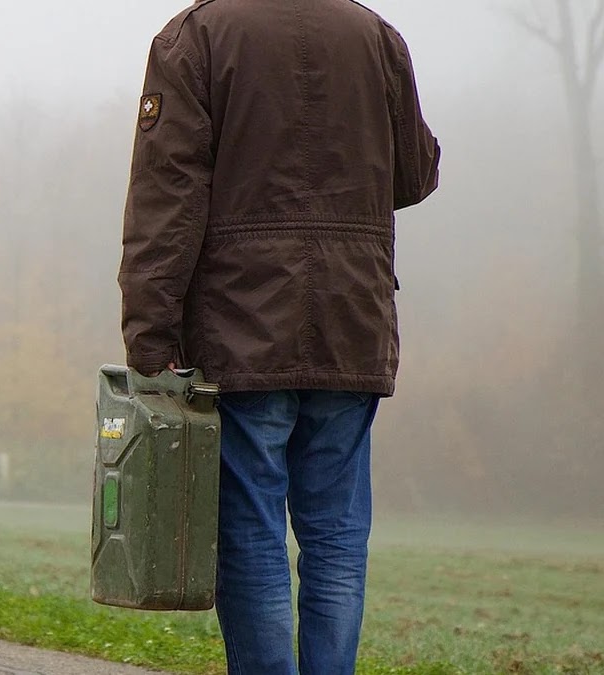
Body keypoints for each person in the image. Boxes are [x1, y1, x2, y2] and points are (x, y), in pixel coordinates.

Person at [118, 1, 440, 673]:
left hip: (242, 323)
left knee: (252, 533)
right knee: (337, 538)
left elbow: (167, 197)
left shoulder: (196, 37)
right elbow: (415, 174)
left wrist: (150, 332)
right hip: (352, 318)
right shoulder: (374, 35)